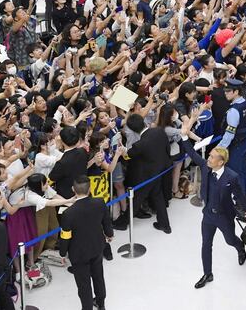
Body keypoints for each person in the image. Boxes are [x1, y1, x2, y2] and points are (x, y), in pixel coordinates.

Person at [181, 139, 246, 289]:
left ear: (221, 162)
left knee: (230, 240)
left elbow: (239, 194)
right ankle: (207, 273)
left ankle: (240, 248)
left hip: (224, 216)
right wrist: (184, 137)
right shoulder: (206, 168)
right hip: (208, 216)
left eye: (212, 157)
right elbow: (192, 153)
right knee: (206, 244)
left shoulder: (232, 177)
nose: (208, 159)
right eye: (209, 156)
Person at [58, 175, 113, 310]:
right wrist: (109, 234)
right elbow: (106, 221)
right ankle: (101, 303)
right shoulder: (100, 203)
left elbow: (65, 236)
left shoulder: (68, 213)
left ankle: (87, 307)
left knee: (83, 284)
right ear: (89, 189)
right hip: (97, 246)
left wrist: (62, 253)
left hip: (78, 253)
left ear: (73, 189)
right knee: (98, 276)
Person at [121, 113, 172, 233]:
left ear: (133, 130)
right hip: (161, 170)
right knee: (158, 196)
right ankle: (164, 224)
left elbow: (128, 155)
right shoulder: (159, 131)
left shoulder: (140, 145)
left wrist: (123, 151)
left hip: (147, 176)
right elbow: (167, 149)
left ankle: (123, 223)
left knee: (136, 199)